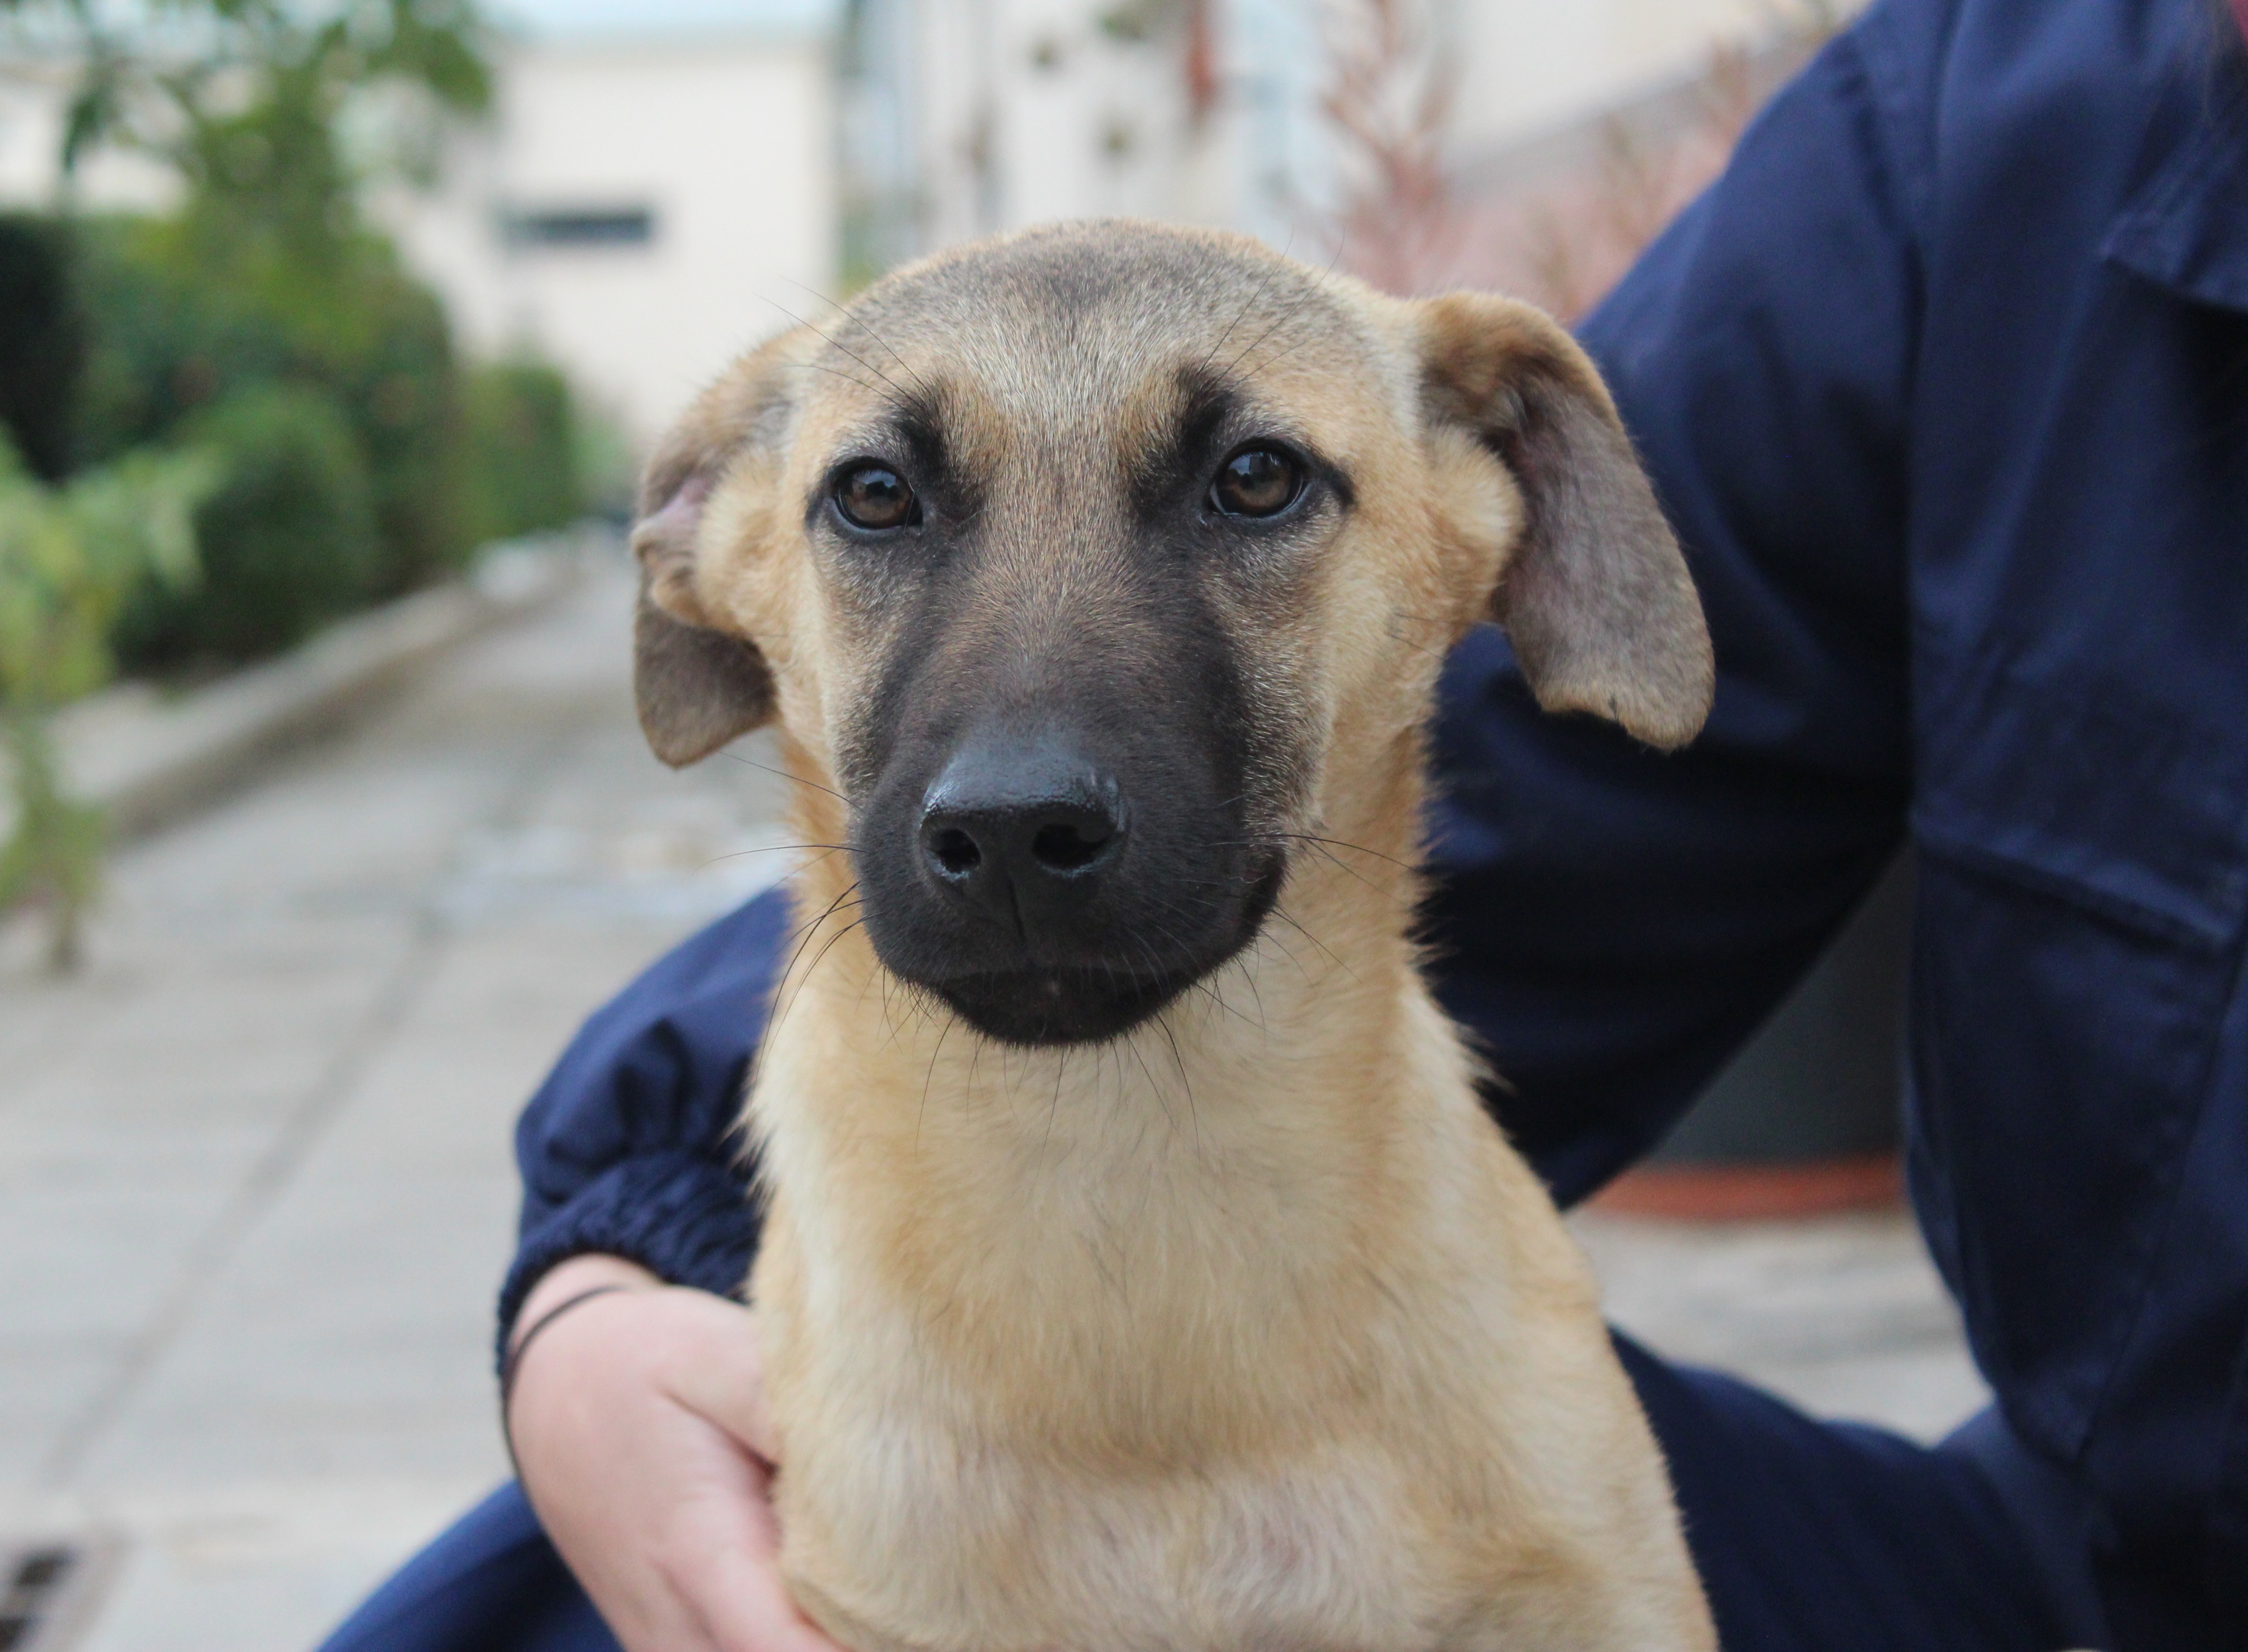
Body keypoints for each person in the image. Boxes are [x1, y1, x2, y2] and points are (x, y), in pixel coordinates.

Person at [318, 0, 2248, 1646]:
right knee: (591, 1538)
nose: (1016, 783)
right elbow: (1539, 825)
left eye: (1248, 482)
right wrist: (610, 1261)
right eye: (882, 511)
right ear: (712, 560)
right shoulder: (2026, 121)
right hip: (2110, 1555)